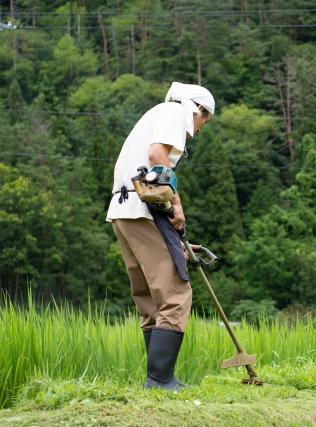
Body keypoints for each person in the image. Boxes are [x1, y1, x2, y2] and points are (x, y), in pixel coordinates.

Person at [106, 82, 215, 390]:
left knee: (149, 297)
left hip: (124, 212)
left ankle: (158, 378)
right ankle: (160, 379)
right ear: (199, 110)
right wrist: (177, 203)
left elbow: (149, 176)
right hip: (143, 210)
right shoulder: (174, 113)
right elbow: (157, 155)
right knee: (176, 294)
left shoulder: (155, 114)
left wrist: (173, 236)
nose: (199, 128)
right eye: (203, 122)